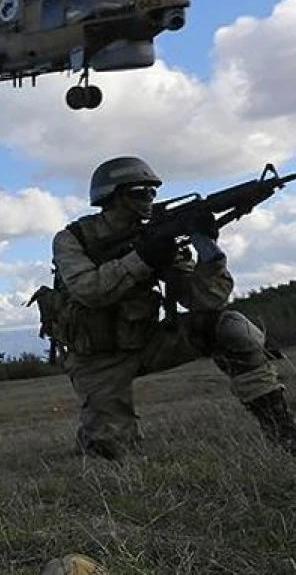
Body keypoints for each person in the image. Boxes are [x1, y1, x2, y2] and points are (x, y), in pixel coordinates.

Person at [49, 156, 296, 461]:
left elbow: (204, 300)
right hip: (96, 359)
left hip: (148, 341)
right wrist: (143, 259)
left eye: (153, 192)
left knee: (232, 328)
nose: (149, 200)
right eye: (141, 192)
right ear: (112, 197)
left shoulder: (157, 237)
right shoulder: (73, 239)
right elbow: (89, 291)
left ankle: (284, 434)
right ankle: (96, 438)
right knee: (109, 452)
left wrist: (208, 249)